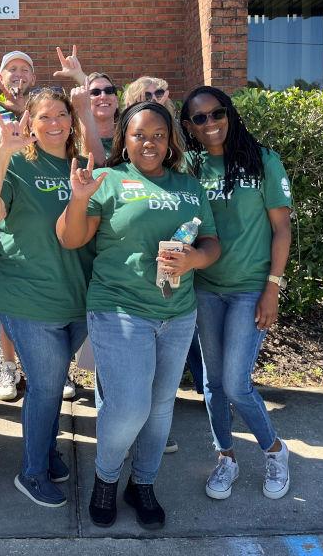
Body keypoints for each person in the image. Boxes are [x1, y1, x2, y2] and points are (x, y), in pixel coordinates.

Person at [57, 101, 220, 529]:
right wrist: (78, 199)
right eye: (140, 135)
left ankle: (143, 483)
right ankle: (106, 478)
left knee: (162, 405)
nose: (149, 143)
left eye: (159, 136)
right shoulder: (109, 180)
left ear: (170, 143)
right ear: (124, 141)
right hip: (119, 309)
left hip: (178, 311)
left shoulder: (190, 186)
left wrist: (194, 261)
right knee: (130, 406)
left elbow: (211, 243)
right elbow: (72, 238)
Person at [0, 87, 93, 508]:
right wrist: (3, 152)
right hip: (27, 297)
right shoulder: (18, 164)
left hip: (76, 298)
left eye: (62, 114)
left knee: (53, 381)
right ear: (29, 123)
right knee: (45, 385)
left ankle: (47, 451)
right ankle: (32, 472)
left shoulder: (81, 165)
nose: (54, 123)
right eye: (44, 117)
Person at [179, 85, 293, 501]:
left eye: (217, 113)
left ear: (229, 113)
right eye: (199, 118)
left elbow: (281, 229)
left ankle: (275, 450)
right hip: (206, 288)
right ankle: (225, 456)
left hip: (249, 289)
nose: (210, 124)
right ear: (188, 126)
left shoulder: (262, 159)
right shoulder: (188, 165)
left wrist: (273, 288)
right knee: (211, 382)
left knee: (235, 382)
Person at [0, 51, 36, 150]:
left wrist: (23, 113)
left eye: (25, 70)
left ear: (33, 79)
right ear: (0, 79)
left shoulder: (46, 115)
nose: (19, 74)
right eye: (12, 69)